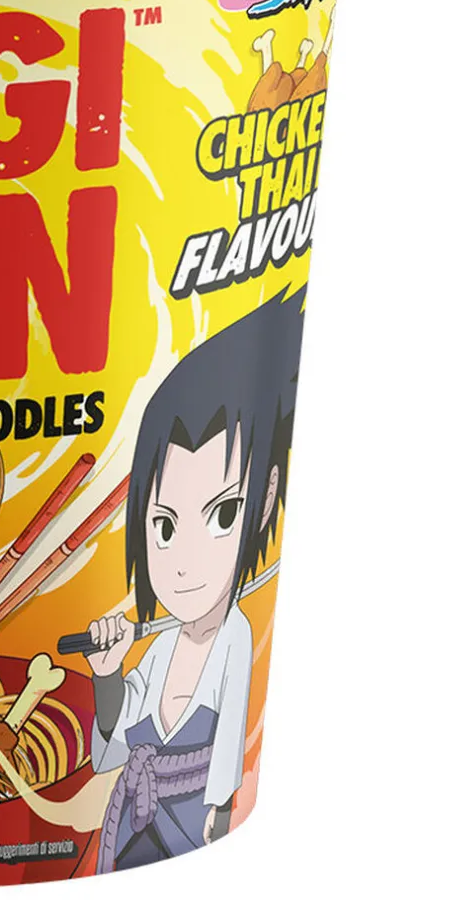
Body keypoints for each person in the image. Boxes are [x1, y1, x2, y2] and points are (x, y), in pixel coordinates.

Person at [82, 288, 305, 872]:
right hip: (134, 822)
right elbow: (111, 750)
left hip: (194, 827)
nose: (183, 564)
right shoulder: (159, 647)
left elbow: (230, 735)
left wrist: (222, 811)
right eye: (163, 526)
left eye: (223, 515)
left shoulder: (233, 636)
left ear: (265, 500)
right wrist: (107, 674)